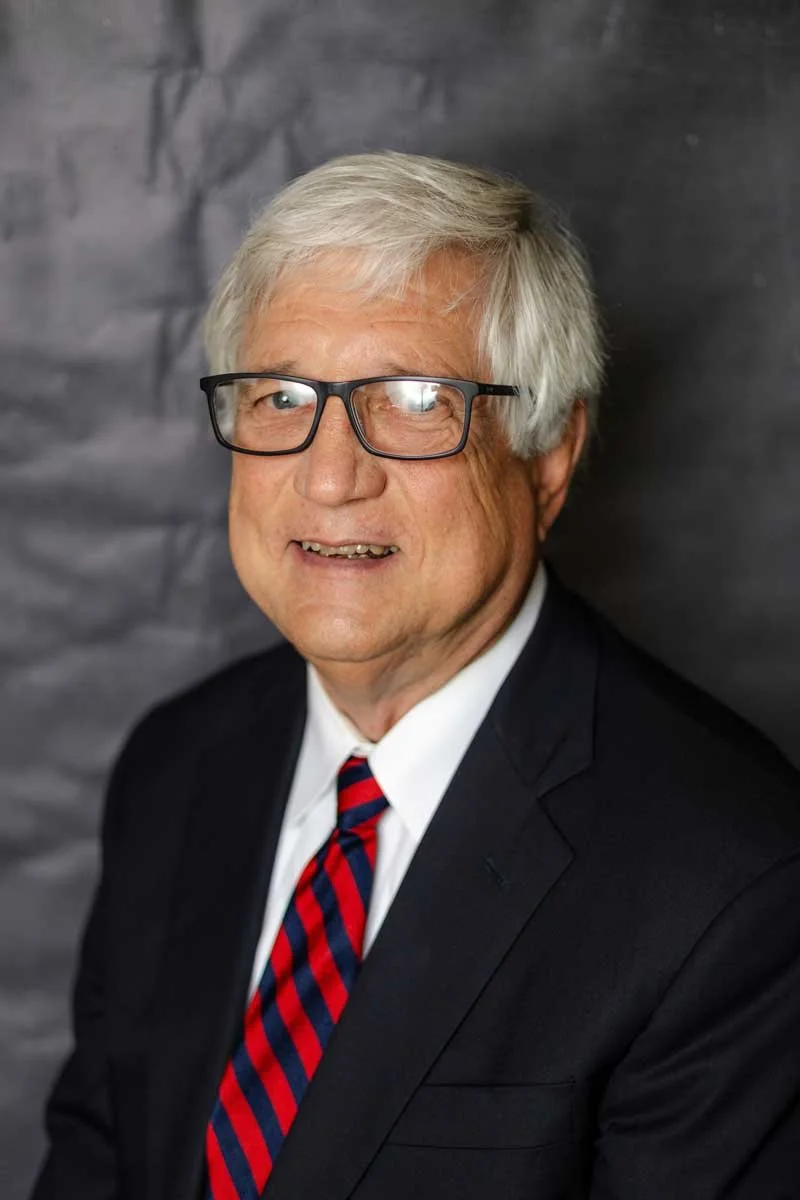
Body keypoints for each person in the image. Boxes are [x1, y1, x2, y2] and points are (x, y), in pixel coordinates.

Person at [32, 151, 800, 1200]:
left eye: (413, 400)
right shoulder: (177, 764)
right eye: (280, 396)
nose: (330, 476)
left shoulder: (732, 883)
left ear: (549, 458)